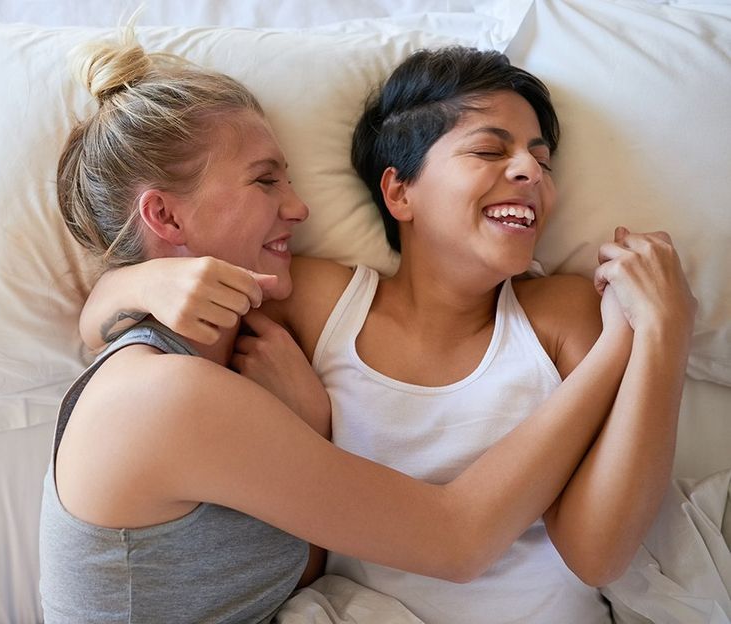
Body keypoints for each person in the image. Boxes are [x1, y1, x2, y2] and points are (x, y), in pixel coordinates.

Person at [75, 44, 697, 623]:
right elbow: (456, 538)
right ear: (399, 190)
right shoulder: (314, 305)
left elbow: (596, 554)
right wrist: (640, 334)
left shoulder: (562, 311)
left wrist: (659, 339)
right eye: (489, 150)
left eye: (542, 158)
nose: (529, 171)